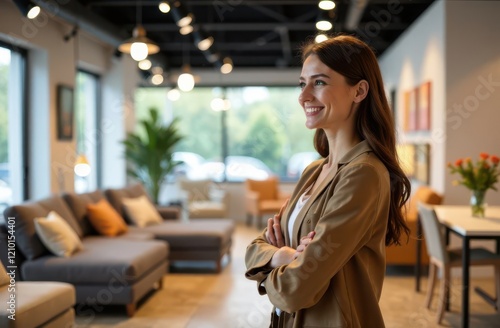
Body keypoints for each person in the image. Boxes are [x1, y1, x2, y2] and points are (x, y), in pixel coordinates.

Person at [244, 35, 411, 328]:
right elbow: (253, 248)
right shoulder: (313, 171)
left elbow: (295, 290)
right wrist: (285, 255)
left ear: (359, 91)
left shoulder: (364, 174)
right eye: (302, 83)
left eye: (319, 82)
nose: (303, 96)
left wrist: (273, 264)